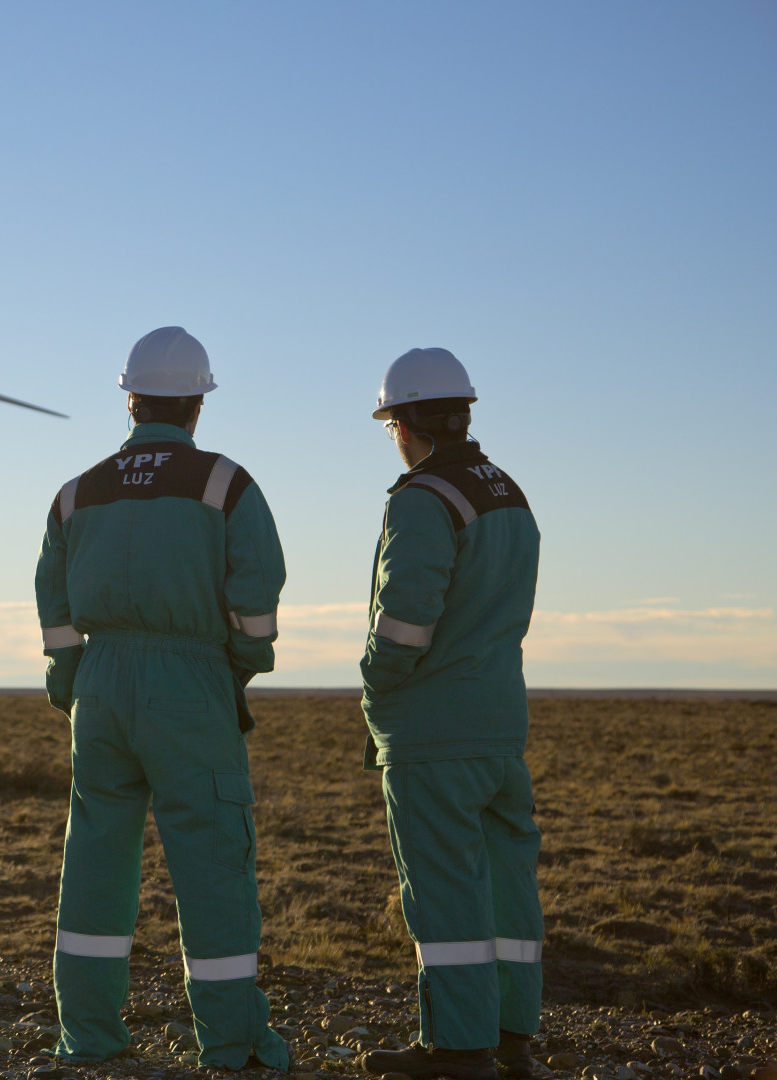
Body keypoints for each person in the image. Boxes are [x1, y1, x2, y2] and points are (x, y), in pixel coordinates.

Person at [33, 326, 289, 1070]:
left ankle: (88, 1035)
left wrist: (70, 685)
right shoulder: (225, 484)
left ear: (131, 399)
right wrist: (237, 668)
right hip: (192, 685)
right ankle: (233, 1043)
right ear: (196, 406)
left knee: (94, 865)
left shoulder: (77, 492)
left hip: (100, 690)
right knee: (212, 865)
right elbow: (256, 599)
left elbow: (52, 604)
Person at [357, 348, 543, 1080]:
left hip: (433, 729)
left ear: (402, 421)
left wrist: (377, 680)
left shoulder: (422, 497)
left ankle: (459, 1049)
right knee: (507, 888)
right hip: (500, 724)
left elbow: (405, 620)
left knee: (444, 891)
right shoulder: (508, 493)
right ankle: (511, 1039)